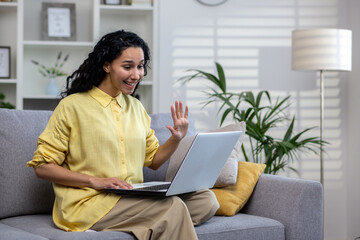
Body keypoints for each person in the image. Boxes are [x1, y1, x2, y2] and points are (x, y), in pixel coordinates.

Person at [27, 30, 219, 240]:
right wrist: (94, 181)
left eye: (140, 66)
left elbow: (153, 161)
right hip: (90, 202)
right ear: (107, 65)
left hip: (132, 196)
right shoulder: (72, 107)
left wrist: (176, 138)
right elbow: (42, 167)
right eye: (127, 67)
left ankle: (148, 224)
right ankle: (158, 221)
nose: (136, 75)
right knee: (172, 208)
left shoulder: (136, 107)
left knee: (205, 200)